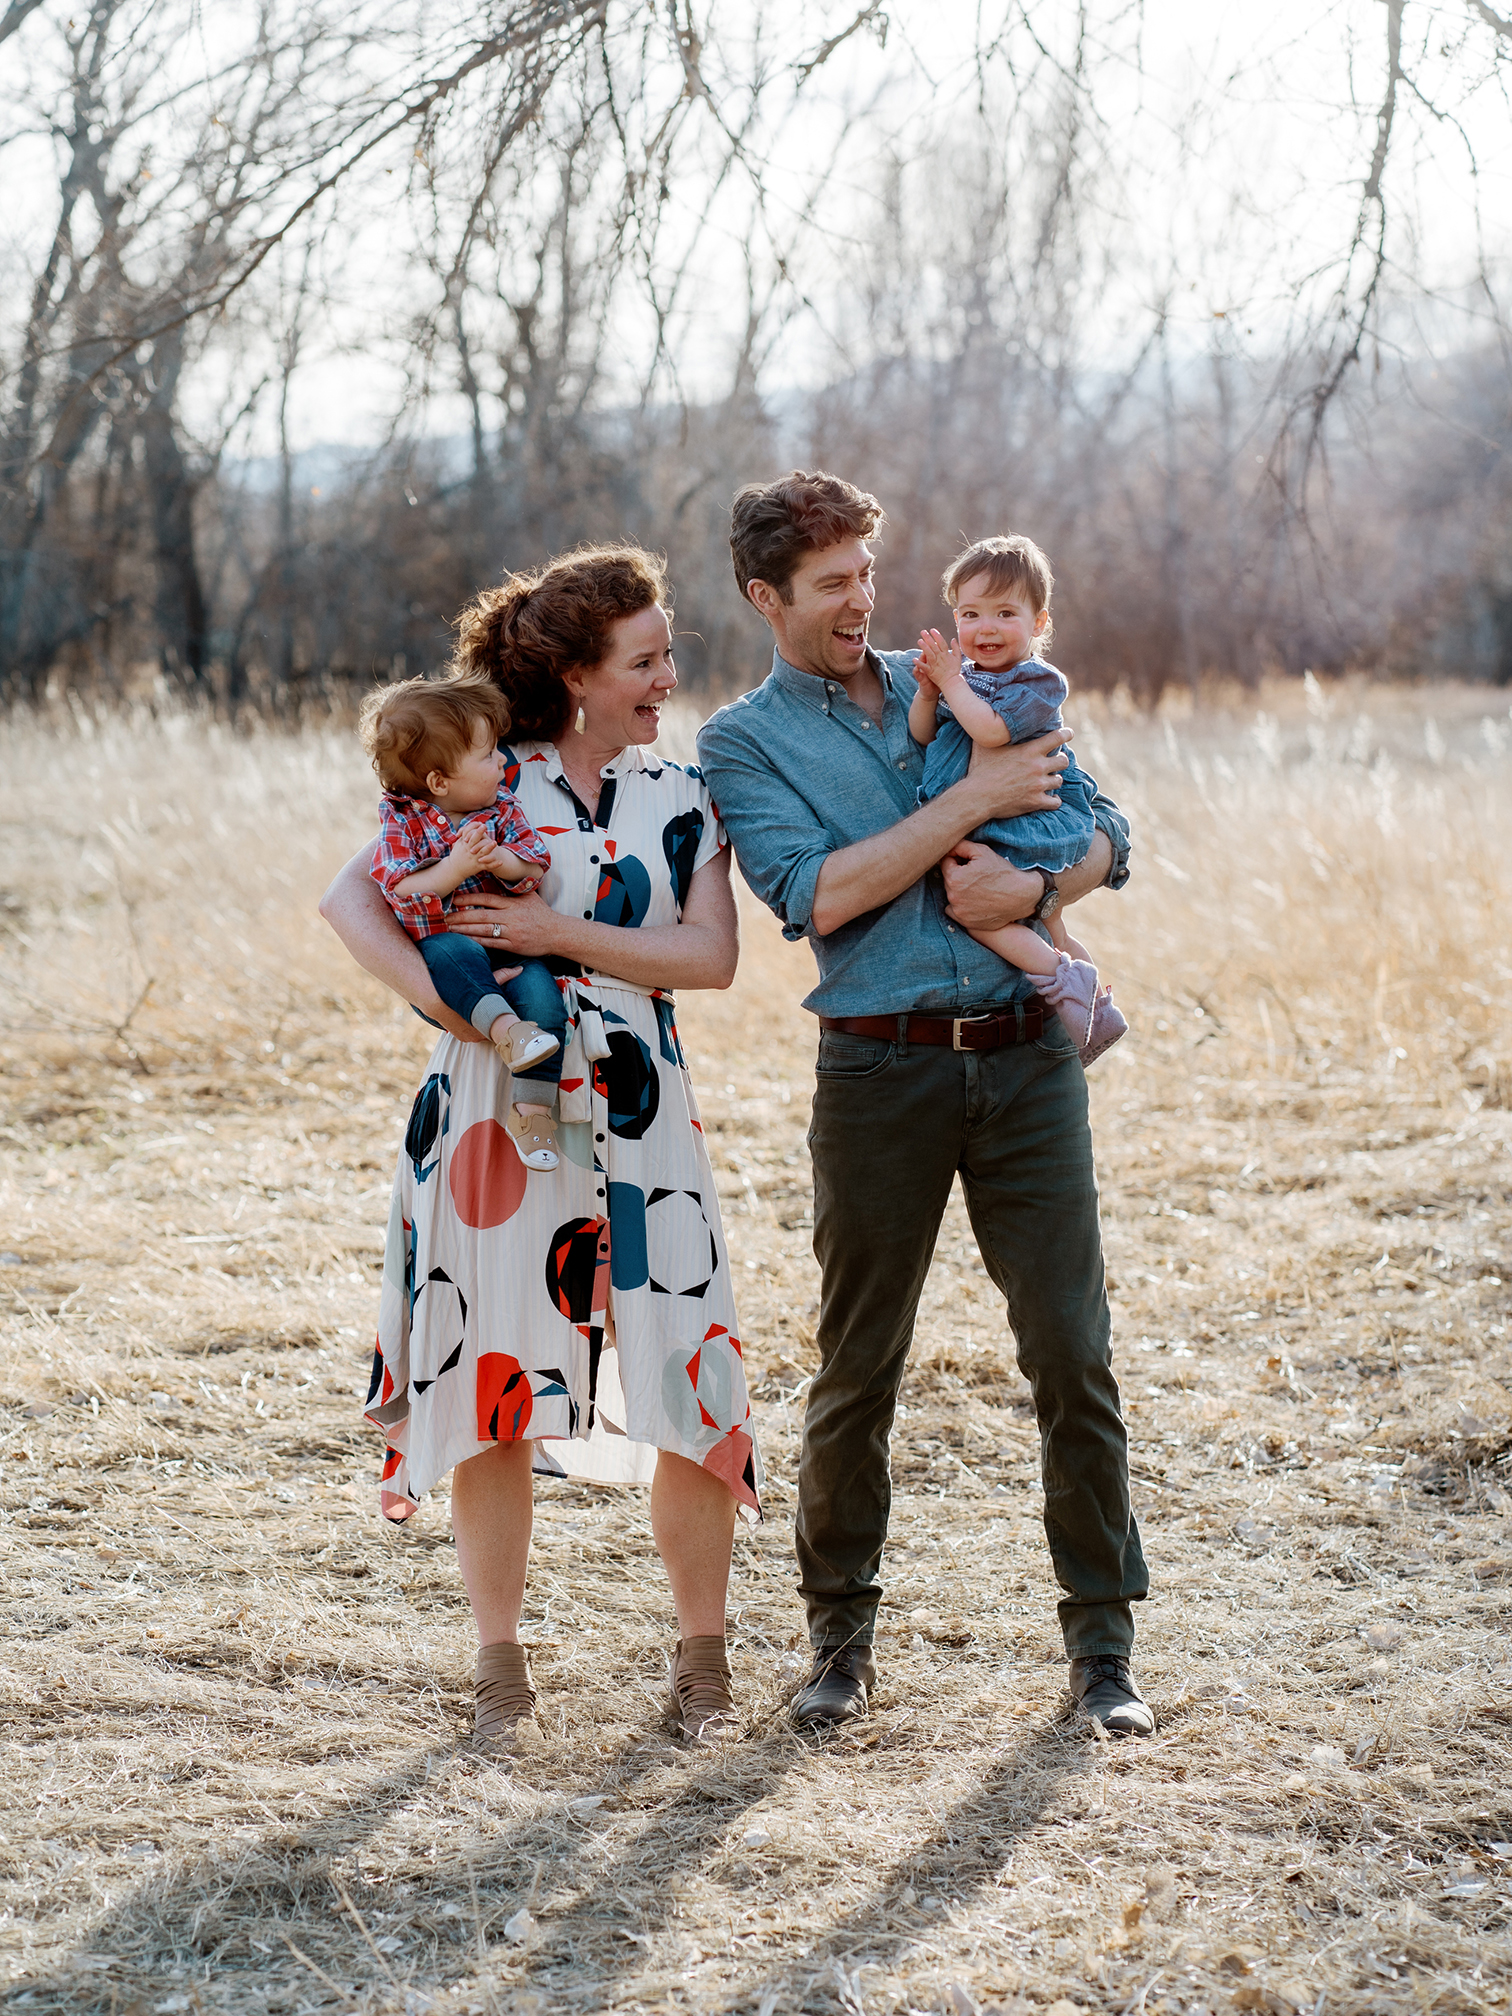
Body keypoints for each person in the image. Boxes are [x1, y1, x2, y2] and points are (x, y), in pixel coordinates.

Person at [697, 472, 1153, 1739]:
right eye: (833, 585)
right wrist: (970, 805)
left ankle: (1104, 1654)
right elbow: (818, 892)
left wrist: (1043, 879)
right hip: (878, 1072)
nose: (864, 606)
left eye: (866, 577)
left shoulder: (962, 668)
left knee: (1073, 1352)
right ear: (765, 598)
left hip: (1024, 1062)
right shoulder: (742, 741)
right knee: (859, 1365)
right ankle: (839, 1644)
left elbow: (1108, 821)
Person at [320, 543, 763, 1747]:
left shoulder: (681, 796)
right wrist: (463, 1007)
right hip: (492, 1112)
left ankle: (704, 1666)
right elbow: (350, 904)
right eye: (647, 659)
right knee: (496, 1376)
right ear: (577, 676)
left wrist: (555, 928)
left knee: (687, 1362)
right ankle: (500, 1672)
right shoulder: (477, 775)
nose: (670, 675)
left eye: (669, 654)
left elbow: (709, 961)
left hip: (641, 1105)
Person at [909, 534, 1127, 1066]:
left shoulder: (1036, 681)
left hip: (1028, 820)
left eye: (1005, 613)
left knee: (980, 915)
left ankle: (1061, 982)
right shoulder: (968, 681)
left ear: (1040, 623)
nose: (986, 628)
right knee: (1050, 923)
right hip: (994, 817)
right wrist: (928, 692)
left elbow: (990, 734)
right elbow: (921, 735)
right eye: (971, 613)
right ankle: (1096, 1007)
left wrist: (951, 683)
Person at [359, 669, 569, 1171]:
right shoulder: (402, 819)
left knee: (545, 1000)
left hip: (513, 948)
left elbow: (534, 864)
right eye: (487, 753)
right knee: (449, 956)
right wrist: (455, 868)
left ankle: (533, 1116)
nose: (502, 760)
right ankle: (505, 1030)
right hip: (449, 945)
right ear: (439, 781)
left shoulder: (501, 809)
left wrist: (503, 862)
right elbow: (398, 887)